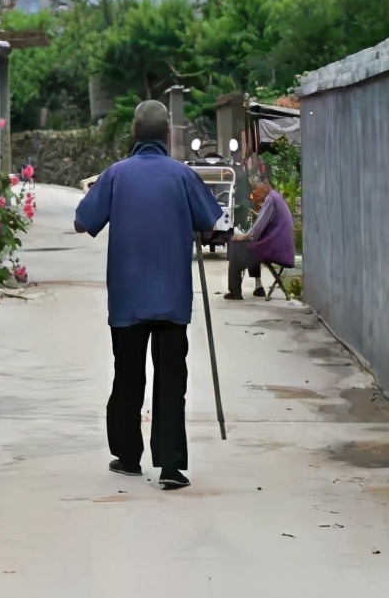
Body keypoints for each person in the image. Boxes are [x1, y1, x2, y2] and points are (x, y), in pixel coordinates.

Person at [74, 100, 222, 490]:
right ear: (168, 135)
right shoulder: (183, 176)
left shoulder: (116, 176)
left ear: (135, 134)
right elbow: (210, 224)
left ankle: (127, 457)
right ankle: (172, 467)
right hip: (172, 299)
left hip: (127, 299)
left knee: (128, 376)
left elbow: (82, 221)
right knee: (172, 380)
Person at [225, 179, 295, 300]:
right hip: (282, 248)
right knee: (250, 246)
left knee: (236, 247)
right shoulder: (275, 197)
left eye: (257, 189)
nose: (255, 193)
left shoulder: (271, 199)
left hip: (275, 248)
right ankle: (259, 287)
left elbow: (258, 228)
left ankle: (235, 292)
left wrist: (243, 237)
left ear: (265, 185)